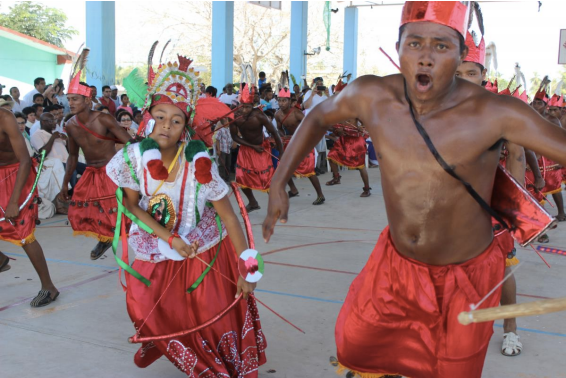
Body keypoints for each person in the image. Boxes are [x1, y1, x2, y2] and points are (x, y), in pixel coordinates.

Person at [261, 2, 566, 377]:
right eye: (415, 44)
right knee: (355, 345)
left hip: (464, 276)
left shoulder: (495, 112)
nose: (425, 57)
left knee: (452, 370)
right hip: (395, 266)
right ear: (398, 48)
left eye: (441, 46)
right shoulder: (371, 95)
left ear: (460, 55)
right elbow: (319, 115)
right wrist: (278, 181)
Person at [105, 53, 266, 376]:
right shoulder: (132, 158)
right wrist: (171, 238)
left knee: (208, 314)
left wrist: (248, 270)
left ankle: (212, 367)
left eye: (176, 120)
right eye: (160, 116)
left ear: (185, 127)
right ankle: (161, 339)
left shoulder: (199, 166)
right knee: (142, 301)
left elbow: (232, 217)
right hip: (162, 239)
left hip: (205, 246)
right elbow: (133, 206)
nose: (166, 124)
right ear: (147, 119)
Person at [59, 52, 132, 260]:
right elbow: (73, 156)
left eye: (74, 99)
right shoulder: (70, 125)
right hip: (91, 172)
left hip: (112, 170)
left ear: (87, 99)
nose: (71, 103)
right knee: (84, 214)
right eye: (69, 99)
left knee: (123, 213)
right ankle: (105, 239)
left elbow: (127, 141)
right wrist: (66, 183)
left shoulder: (104, 119)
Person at [0, 108, 59, 306]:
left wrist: (14, 201)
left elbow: (25, 160)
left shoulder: (5, 117)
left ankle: (48, 287)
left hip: (17, 173)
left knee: (23, 233)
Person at [231, 84, 284, 212]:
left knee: (266, 179)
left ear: (252, 105)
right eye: (243, 107)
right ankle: (253, 202)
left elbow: (275, 133)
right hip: (246, 149)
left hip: (261, 148)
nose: (245, 110)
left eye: (248, 107)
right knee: (241, 177)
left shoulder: (259, 116)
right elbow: (235, 137)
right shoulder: (235, 117)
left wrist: (282, 154)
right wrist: (251, 146)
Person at [275, 88, 325, 205]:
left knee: (308, 171)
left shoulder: (297, 113)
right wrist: (284, 137)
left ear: (289, 101)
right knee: (283, 167)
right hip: (289, 142)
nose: (281, 103)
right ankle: (293, 189)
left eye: (284, 101)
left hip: (303, 143)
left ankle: (320, 195)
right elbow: (279, 129)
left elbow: (310, 127)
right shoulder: (277, 114)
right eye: (279, 101)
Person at [531, 90, 565, 222]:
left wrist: (560, 156)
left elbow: (561, 138)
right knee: (537, 187)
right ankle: (540, 218)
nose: (536, 105)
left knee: (554, 185)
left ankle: (561, 213)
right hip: (535, 156)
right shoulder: (530, 117)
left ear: (546, 106)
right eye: (534, 102)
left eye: (539, 103)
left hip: (549, 156)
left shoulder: (552, 119)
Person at [30, 113, 68, 202]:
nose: (54, 123)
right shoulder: (37, 135)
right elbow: (43, 153)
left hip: (67, 160)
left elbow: (68, 150)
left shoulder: (56, 134)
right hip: (55, 163)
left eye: (54, 120)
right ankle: (67, 198)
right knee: (72, 172)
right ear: (43, 122)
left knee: (86, 169)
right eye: (51, 121)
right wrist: (52, 138)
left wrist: (67, 139)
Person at [303, 78, 329, 174]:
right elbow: (305, 106)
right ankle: (311, 168)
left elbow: (331, 107)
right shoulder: (309, 93)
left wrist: (329, 95)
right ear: (313, 85)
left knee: (318, 148)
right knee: (311, 146)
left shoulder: (324, 96)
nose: (320, 85)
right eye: (317, 84)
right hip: (310, 124)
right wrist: (312, 95)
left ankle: (315, 167)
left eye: (321, 83)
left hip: (320, 125)